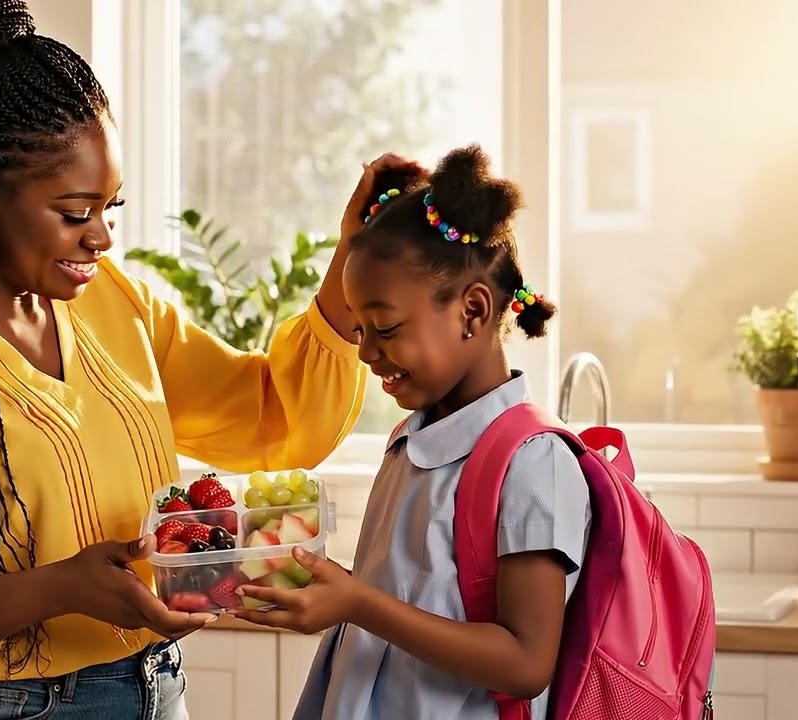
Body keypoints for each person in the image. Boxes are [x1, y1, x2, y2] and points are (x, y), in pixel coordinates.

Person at [0, 1, 422, 717]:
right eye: (74, 213)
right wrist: (56, 588)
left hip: (158, 688)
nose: (102, 238)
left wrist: (352, 251)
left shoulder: (113, 306)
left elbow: (272, 416)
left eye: (110, 208)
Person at [230, 144, 592, 720]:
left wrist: (358, 603)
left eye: (386, 327)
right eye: (358, 326)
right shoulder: (412, 439)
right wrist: (336, 593)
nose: (365, 350)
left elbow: (525, 662)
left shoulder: (533, 461)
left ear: (472, 312)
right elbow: (412, 599)